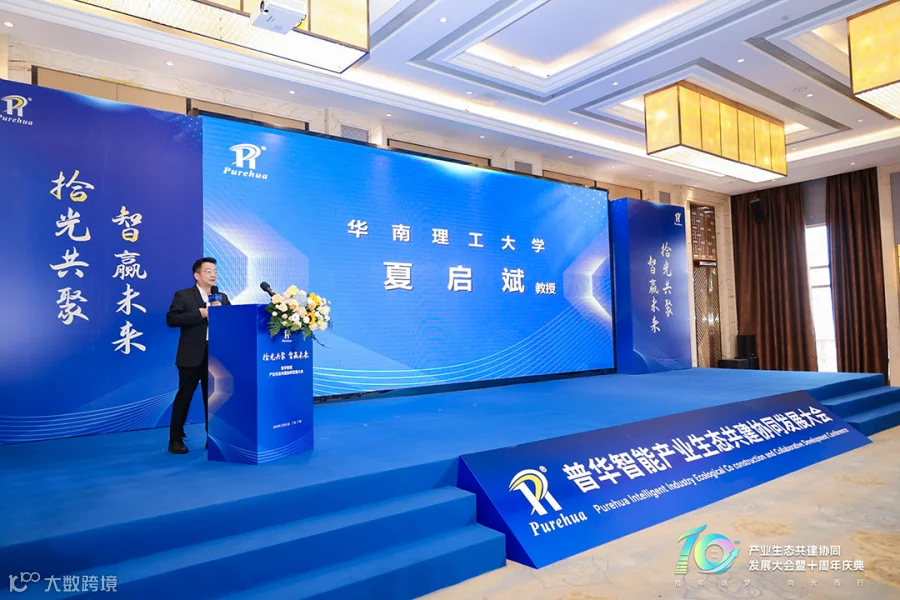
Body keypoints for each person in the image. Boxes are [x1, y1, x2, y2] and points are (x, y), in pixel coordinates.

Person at [165, 257, 230, 454]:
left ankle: (213, 437)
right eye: (208, 271)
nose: (213, 275)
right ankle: (175, 439)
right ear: (197, 275)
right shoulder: (184, 295)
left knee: (214, 398)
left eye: (215, 271)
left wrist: (223, 314)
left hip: (215, 357)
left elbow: (233, 321)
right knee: (184, 396)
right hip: (191, 355)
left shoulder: (222, 297)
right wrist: (200, 314)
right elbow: (171, 319)